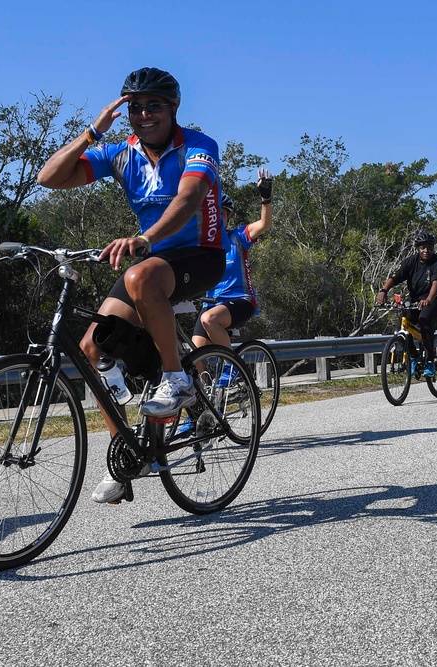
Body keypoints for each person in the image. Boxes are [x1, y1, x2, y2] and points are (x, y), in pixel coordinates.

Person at [37, 67, 228, 504]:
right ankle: (127, 451)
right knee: (92, 346)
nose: (143, 114)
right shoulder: (120, 153)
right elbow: (48, 178)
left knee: (138, 274)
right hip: (153, 260)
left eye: (153, 106)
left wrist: (143, 240)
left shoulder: (199, 146)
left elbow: (187, 202)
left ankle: (177, 378)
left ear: (173, 108)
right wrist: (91, 133)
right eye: (135, 107)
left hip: (199, 256)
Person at [192, 169, 274, 351]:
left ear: (228, 217)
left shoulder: (238, 237)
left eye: (223, 213)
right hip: (211, 303)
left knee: (209, 319)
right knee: (193, 356)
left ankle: (233, 366)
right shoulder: (200, 245)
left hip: (240, 300)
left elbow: (264, 224)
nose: (219, 217)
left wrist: (266, 198)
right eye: (215, 213)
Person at [375, 231, 437, 378]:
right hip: (416, 299)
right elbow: (395, 277)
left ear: (433, 248)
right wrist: (383, 291)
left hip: (436, 299)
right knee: (403, 326)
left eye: (429, 247)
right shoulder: (411, 262)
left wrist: (428, 299)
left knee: (424, 320)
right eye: (422, 248)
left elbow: (436, 283)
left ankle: (429, 360)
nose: (426, 250)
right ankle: (414, 357)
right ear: (417, 249)